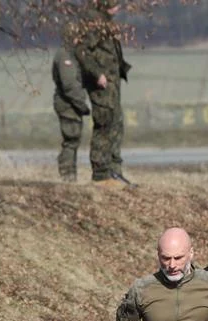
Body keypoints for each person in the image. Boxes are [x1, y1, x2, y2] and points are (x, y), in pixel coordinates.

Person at [72, 0, 132, 188]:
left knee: (116, 123)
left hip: (112, 83)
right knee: (104, 124)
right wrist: (97, 73)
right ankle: (101, 175)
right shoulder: (94, 23)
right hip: (101, 84)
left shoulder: (105, 22)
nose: (119, 7)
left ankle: (114, 171)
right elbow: (81, 51)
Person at [51, 45, 90, 182]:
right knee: (71, 139)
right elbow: (69, 85)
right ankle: (68, 175)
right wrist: (82, 104)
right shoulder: (65, 55)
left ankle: (70, 175)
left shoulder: (72, 54)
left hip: (71, 103)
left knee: (74, 140)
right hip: (67, 104)